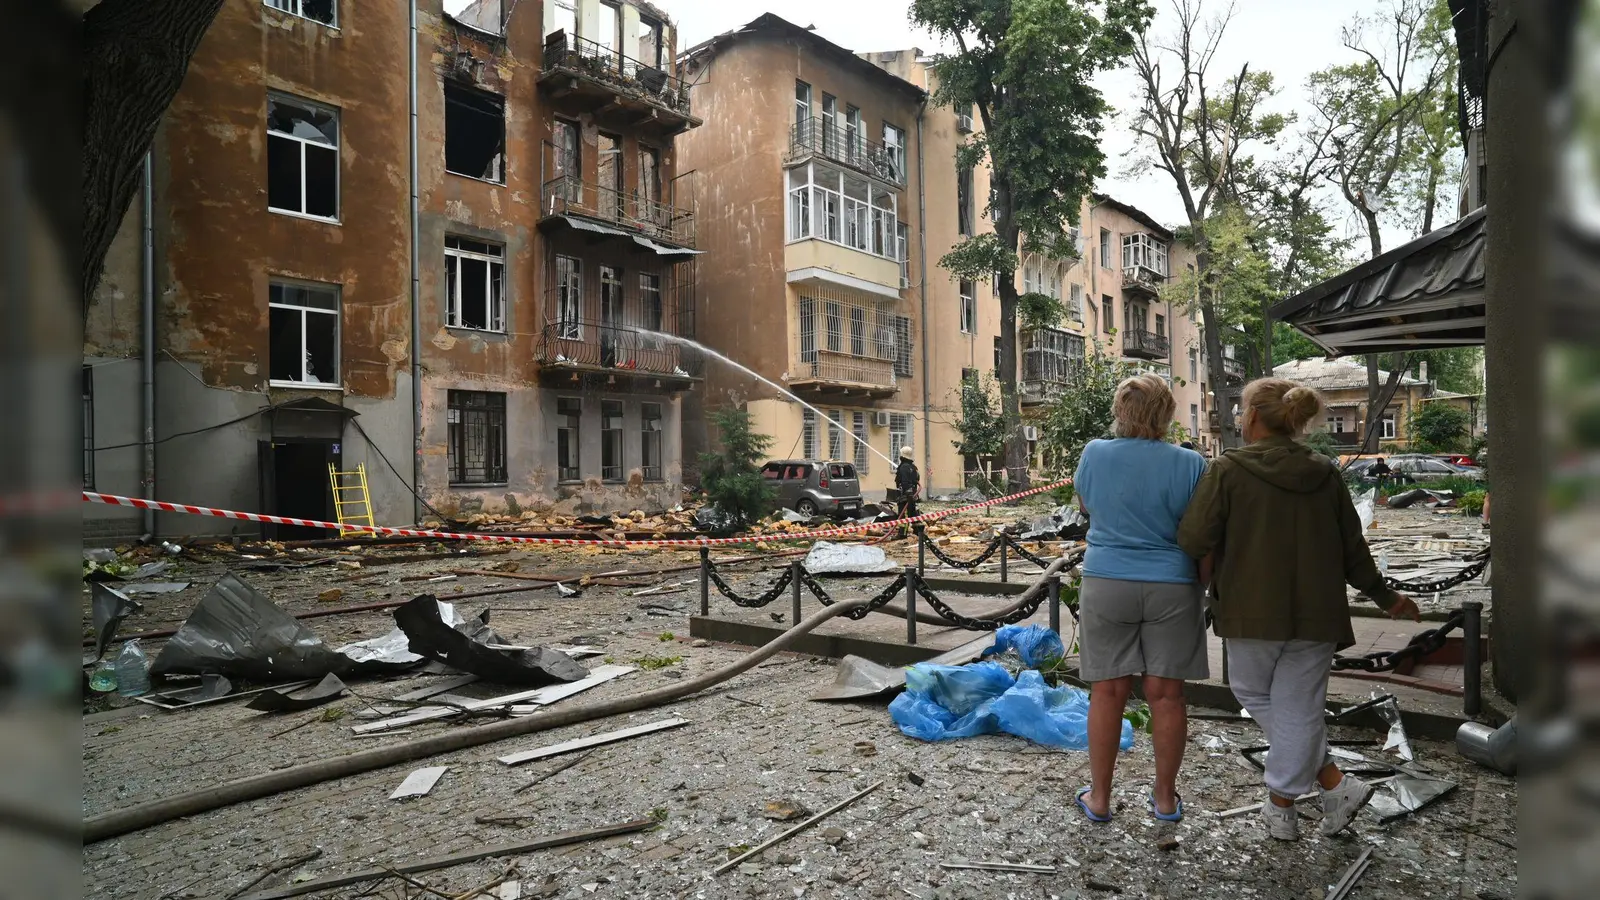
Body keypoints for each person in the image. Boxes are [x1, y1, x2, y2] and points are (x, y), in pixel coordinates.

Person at [1177, 378, 1420, 842]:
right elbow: (1353, 547)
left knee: (1255, 693)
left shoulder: (1228, 470)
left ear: (1251, 417)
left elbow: (1193, 538)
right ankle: (1331, 785)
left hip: (1251, 608)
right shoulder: (1324, 472)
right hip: (1317, 612)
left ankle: (1283, 803)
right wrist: (1386, 597)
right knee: (1299, 707)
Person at [1071, 374, 1208, 824]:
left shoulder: (1094, 453)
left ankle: (1100, 799)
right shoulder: (1191, 463)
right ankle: (1166, 799)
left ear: (1121, 411)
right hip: (1172, 582)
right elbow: (1200, 527)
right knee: (1167, 695)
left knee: (1107, 692)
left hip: (1108, 579)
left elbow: (1087, 506)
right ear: (1167, 414)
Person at [894, 445, 920, 530]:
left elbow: (904, 481)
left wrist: (907, 493)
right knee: (912, 513)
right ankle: (918, 531)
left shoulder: (904, 467)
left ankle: (902, 534)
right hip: (912, 494)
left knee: (903, 514)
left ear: (902, 454)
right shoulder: (912, 467)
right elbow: (916, 479)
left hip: (905, 495)